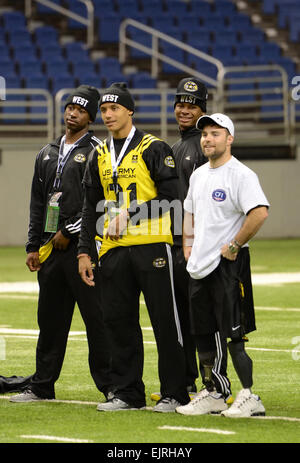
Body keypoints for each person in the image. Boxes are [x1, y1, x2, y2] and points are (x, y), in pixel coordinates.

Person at [78, 82, 190, 412]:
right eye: (104, 110)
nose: (108, 114)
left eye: (114, 109)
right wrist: (85, 250)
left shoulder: (154, 147)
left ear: (130, 111)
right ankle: (127, 392)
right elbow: (90, 206)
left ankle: (175, 392)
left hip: (152, 246)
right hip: (112, 251)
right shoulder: (98, 154)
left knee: (165, 322)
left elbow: (173, 201)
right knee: (118, 322)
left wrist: (131, 212)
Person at [9, 85, 112, 403]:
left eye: (80, 110)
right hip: (51, 250)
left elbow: (101, 202)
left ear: (90, 117)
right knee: (50, 320)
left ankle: (111, 387)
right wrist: (32, 244)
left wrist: (70, 230)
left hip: (84, 250)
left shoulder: (98, 150)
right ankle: (42, 385)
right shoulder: (47, 151)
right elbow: (37, 203)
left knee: (97, 320)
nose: (72, 113)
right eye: (70, 107)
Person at [176, 113, 269, 417]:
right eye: (204, 134)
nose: (207, 139)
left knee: (234, 336)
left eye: (215, 133)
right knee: (203, 333)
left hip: (229, 266)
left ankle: (249, 396)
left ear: (230, 139)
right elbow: (189, 211)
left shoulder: (241, 175)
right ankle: (216, 391)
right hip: (199, 266)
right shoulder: (200, 174)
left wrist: (234, 245)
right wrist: (188, 245)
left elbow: (258, 213)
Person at [151, 77, 232, 404]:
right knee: (181, 319)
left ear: (203, 109)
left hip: (200, 245)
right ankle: (184, 385)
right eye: (180, 104)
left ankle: (213, 386)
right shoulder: (176, 146)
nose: (184, 109)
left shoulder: (204, 144)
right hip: (174, 245)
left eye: (192, 105)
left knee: (205, 318)